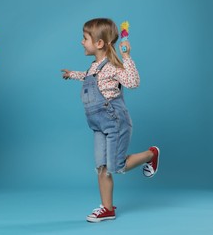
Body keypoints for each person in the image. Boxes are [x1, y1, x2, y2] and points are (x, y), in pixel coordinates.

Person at [61, 18, 160, 223]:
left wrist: (127, 55)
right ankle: (107, 209)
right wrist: (72, 75)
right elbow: (88, 77)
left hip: (115, 122)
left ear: (99, 43)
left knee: (117, 166)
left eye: (85, 38)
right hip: (98, 125)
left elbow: (133, 82)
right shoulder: (94, 66)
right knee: (101, 167)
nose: (81, 42)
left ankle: (151, 154)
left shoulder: (113, 66)